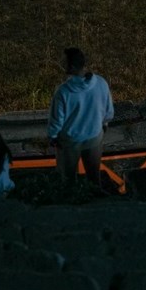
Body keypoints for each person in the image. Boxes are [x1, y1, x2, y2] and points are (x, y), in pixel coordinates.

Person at [48, 47, 114, 186]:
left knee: (67, 179)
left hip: (70, 141)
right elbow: (108, 111)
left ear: (71, 66)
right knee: (94, 178)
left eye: (63, 61)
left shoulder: (63, 92)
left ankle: (71, 204)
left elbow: (57, 119)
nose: (61, 63)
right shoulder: (101, 83)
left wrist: (53, 136)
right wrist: (104, 125)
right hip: (94, 137)